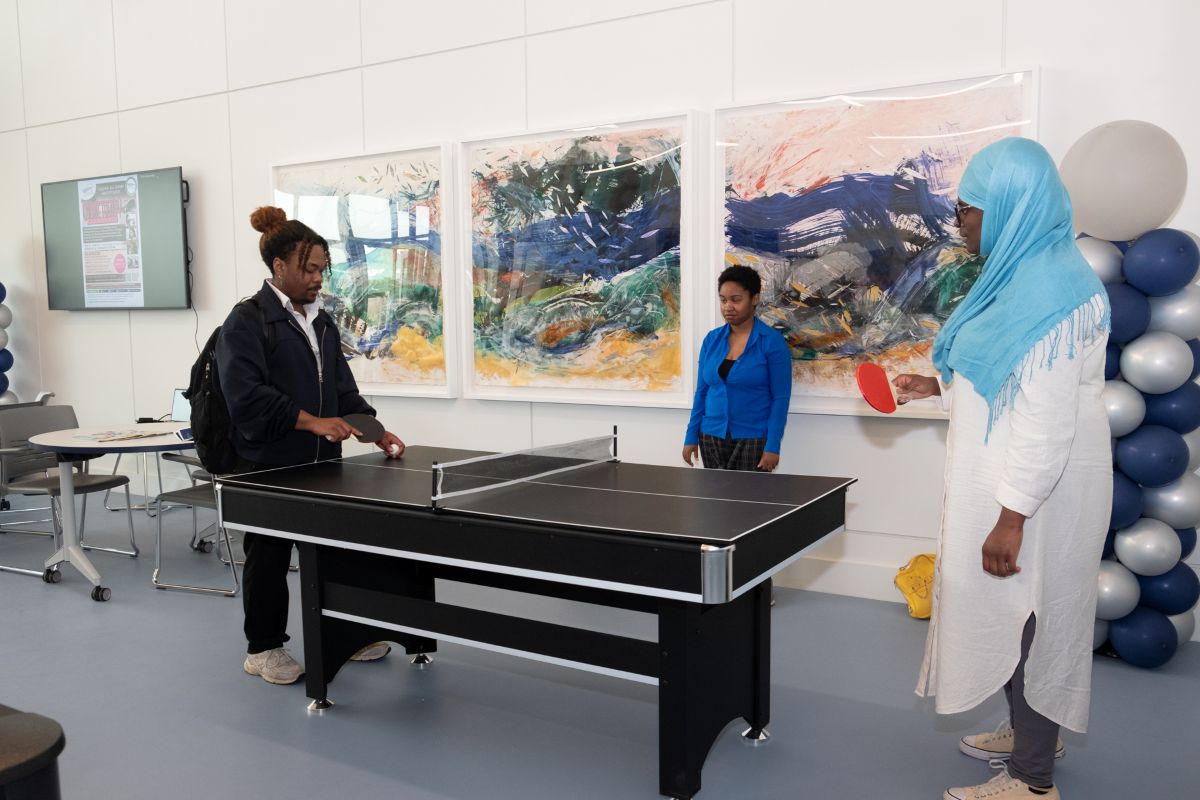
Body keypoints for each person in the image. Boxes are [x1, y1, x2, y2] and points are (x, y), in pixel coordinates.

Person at [893, 138, 1110, 800]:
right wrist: (935, 387)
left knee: (1035, 620)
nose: (959, 221)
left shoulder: (1052, 295)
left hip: (1039, 496)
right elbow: (1001, 381)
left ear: (1011, 207)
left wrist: (1010, 517)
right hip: (1020, 485)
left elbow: (1044, 422)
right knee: (1019, 616)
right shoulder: (1023, 273)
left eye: (968, 208)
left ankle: (1033, 780)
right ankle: (1030, 735)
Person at [217, 206, 406, 685]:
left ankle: (348, 634)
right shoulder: (246, 321)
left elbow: (342, 390)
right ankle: (263, 648)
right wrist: (311, 423)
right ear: (280, 266)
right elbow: (247, 397)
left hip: (322, 464)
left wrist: (373, 430)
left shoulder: (322, 323)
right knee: (270, 557)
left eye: (323, 268)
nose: (319, 278)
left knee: (334, 550)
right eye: (310, 268)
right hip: (266, 463)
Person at [683, 265, 791, 472]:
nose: (728, 307)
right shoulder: (711, 340)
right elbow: (702, 392)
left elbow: (780, 399)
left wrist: (773, 446)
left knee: (748, 502)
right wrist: (691, 436)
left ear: (755, 299)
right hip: (711, 436)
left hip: (753, 438)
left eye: (736, 299)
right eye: (723, 300)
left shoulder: (772, 342)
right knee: (715, 502)